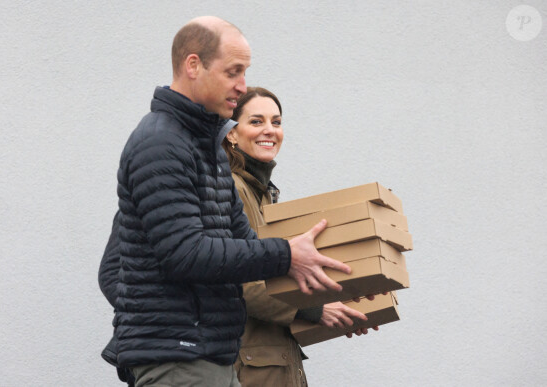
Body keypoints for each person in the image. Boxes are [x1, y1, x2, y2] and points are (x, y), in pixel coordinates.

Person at [101, 16, 355, 387]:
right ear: (193, 65)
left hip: (210, 355)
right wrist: (286, 254)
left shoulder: (206, 149)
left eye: (245, 72)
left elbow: (245, 247)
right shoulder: (160, 144)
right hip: (180, 358)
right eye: (233, 72)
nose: (242, 85)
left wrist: (336, 282)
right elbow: (184, 253)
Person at [223, 87, 374, 387]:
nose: (269, 130)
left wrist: (341, 305)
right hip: (252, 367)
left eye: (276, 122)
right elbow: (238, 282)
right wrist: (316, 310)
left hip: (274, 362)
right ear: (232, 134)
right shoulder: (233, 189)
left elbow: (278, 278)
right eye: (256, 121)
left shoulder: (262, 193)